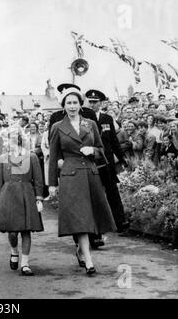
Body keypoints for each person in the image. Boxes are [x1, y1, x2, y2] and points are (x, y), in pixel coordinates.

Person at [48, 84, 116, 275]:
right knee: (81, 218)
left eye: (75, 103)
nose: (72, 106)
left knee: (89, 217)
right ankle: (89, 260)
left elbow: (102, 151)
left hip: (90, 174)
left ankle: (80, 250)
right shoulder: (57, 127)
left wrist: (92, 150)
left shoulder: (90, 124)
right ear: (63, 106)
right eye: (68, 103)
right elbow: (53, 157)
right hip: (71, 176)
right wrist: (52, 184)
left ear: (80, 105)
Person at [0, 129, 44, 276]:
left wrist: (39, 198)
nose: (13, 142)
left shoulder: (32, 157)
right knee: (12, 231)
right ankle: (14, 251)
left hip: (27, 194)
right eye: (10, 139)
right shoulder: (3, 158)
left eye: (16, 139)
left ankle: (25, 263)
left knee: (26, 230)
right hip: (8, 195)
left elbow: (39, 180)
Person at [85, 90, 129, 238]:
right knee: (95, 194)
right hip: (92, 162)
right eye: (90, 101)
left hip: (107, 161)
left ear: (101, 103)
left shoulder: (107, 118)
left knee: (113, 192)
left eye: (95, 102)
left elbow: (114, 141)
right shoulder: (83, 119)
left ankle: (120, 222)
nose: (92, 104)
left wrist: (122, 158)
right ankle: (97, 228)